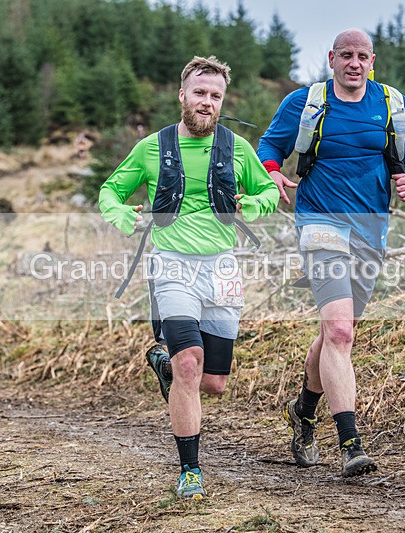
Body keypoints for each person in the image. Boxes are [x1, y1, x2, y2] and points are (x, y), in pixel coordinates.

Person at [99, 56, 279, 500]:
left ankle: (163, 363)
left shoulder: (236, 148)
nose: (207, 102)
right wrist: (124, 215)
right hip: (172, 264)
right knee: (189, 362)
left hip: (221, 268)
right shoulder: (152, 147)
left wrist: (252, 207)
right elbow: (110, 191)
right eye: (200, 93)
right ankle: (190, 471)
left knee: (213, 382)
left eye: (215, 96)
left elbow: (269, 190)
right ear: (182, 95)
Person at [257, 29, 405, 477]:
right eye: (346, 56)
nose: (354, 64)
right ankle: (350, 443)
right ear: (332, 58)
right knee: (339, 332)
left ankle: (304, 410)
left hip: (371, 232)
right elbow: (269, 149)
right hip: (319, 224)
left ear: (372, 61)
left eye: (362, 57)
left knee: (336, 331)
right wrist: (273, 174)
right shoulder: (305, 102)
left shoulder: (392, 104)